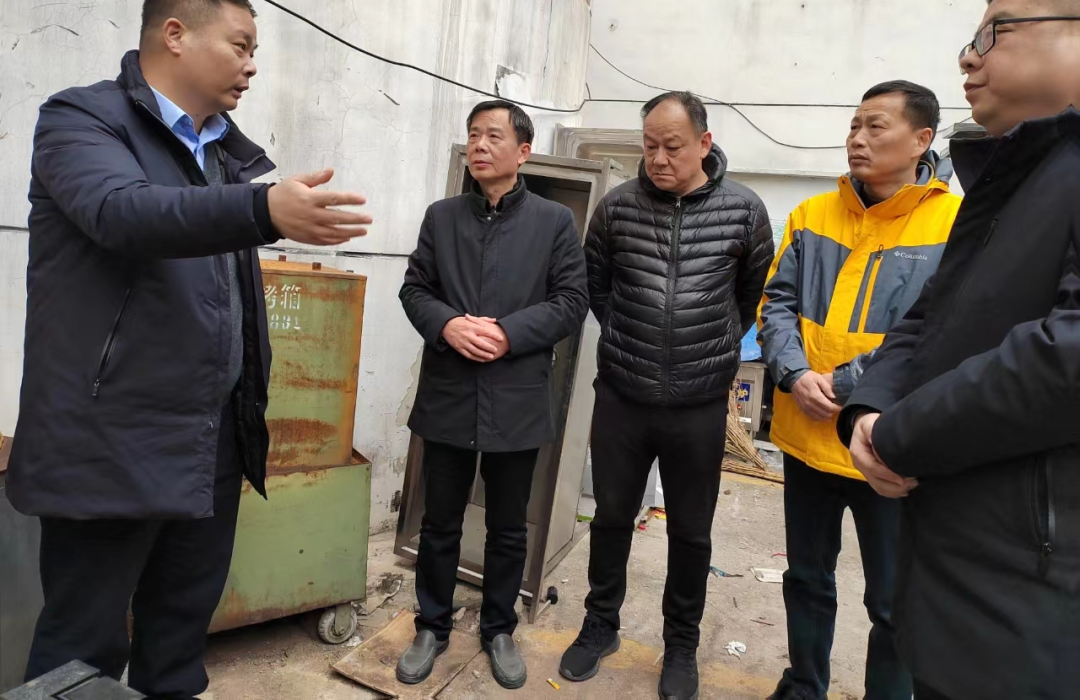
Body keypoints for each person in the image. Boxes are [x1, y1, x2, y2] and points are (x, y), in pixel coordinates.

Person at [6, 0, 371, 699]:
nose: (252, 65)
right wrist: (263, 209)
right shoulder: (83, 120)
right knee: (81, 651)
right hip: (111, 440)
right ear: (175, 34)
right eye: (240, 45)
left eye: (254, 51)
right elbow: (124, 214)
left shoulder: (222, 155)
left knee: (179, 641)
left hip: (209, 441)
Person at [837, 0, 1080, 700]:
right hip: (967, 572)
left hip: (1034, 597)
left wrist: (898, 434)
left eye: (994, 33)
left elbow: (1067, 356)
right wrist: (867, 408)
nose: (969, 58)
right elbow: (931, 316)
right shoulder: (1017, 176)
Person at [559, 91, 774, 700]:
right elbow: (598, 288)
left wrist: (704, 351)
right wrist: (636, 345)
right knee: (611, 518)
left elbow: (748, 297)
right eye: (649, 145)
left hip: (698, 406)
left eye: (672, 146)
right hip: (623, 398)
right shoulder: (617, 208)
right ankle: (600, 625)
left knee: (691, 532)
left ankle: (681, 645)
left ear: (704, 143)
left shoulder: (744, 211)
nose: (657, 158)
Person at [758, 81, 961, 700]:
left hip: (889, 444)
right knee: (806, 579)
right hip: (806, 436)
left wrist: (846, 385)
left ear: (921, 139)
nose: (858, 139)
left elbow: (941, 332)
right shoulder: (812, 214)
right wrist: (794, 374)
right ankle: (804, 684)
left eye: (876, 126)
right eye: (854, 126)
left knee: (894, 600)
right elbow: (776, 304)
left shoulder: (955, 223)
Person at [397, 101, 588, 690]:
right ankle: (431, 625)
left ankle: (499, 627)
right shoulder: (442, 217)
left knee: (508, 525)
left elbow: (571, 301)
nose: (480, 145)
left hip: (517, 394)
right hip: (450, 390)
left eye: (494, 136)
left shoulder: (554, 222)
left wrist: (509, 334)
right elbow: (414, 289)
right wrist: (449, 324)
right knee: (439, 520)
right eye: (474, 135)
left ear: (523, 152)